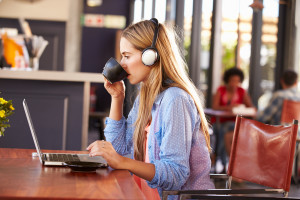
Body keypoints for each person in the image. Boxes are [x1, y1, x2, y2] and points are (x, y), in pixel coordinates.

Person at [87, 18, 215, 199]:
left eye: (127, 56)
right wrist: (117, 98)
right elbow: (119, 149)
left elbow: (175, 175)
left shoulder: (175, 100)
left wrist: (123, 162)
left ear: (150, 56)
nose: (122, 64)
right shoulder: (146, 96)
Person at [212, 67, 255, 171]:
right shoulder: (220, 90)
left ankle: (220, 160)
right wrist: (229, 107)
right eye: (232, 80)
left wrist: (240, 107)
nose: (234, 83)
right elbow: (215, 106)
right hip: (219, 122)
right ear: (227, 80)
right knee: (222, 131)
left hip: (233, 123)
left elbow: (251, 108)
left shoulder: (242, 92)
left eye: (237, 81)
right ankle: (223, 164)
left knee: (223, 131)